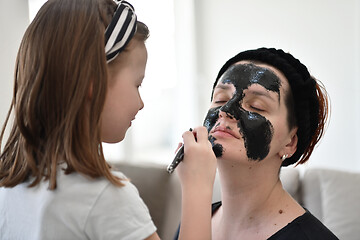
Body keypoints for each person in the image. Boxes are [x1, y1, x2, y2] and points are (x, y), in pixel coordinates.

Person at [0, 0, 217, 239]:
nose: (141, 102)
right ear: (95, 83)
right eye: (137, 84)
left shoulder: (10, 187)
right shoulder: (102, 198)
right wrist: (198, 186)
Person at [174, 47, 339, 239]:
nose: (226, 110)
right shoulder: (197, 220)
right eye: (220, 99)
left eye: (256, 106)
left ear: (290, 142)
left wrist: (196, 189)